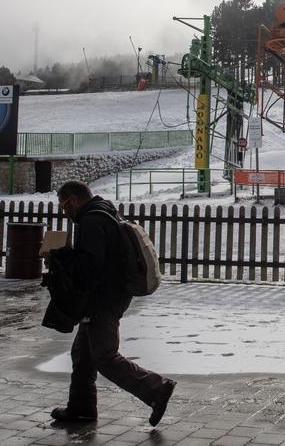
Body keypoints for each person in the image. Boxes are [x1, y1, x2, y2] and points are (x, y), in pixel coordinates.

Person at [44, 180, 176, 426]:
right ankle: (81, 409)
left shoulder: (92, 220)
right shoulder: (105, 210)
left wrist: (59, 256)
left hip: (102, 299)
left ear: (72, 200)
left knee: (104, 356)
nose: (65, 212)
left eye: (64, 207)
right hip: (109, 295)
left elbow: (91, 265)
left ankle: (156, 388)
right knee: (82, 354)